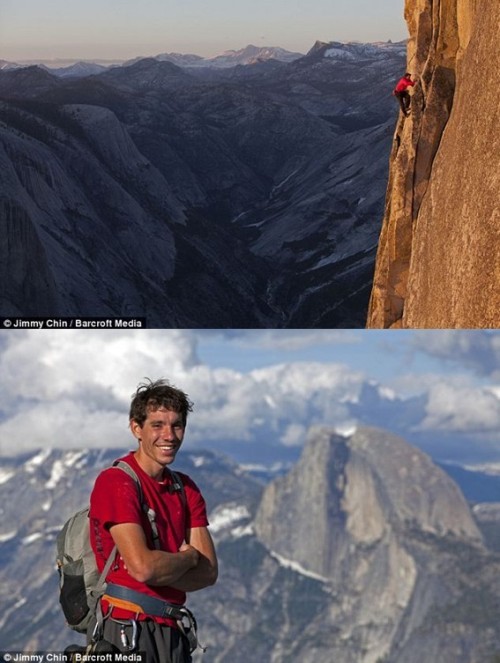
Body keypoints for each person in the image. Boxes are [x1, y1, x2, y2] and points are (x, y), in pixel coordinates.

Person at [88, 378, 218, 663]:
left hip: (172, 631)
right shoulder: (117, 482)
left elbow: (208, 573)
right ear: (137, 428)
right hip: (126, 628)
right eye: (157, 425)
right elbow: (144, 568)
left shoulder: (186, 489)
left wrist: (164, 567)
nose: (169, 435)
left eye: (177, 425)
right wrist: (187, 558)